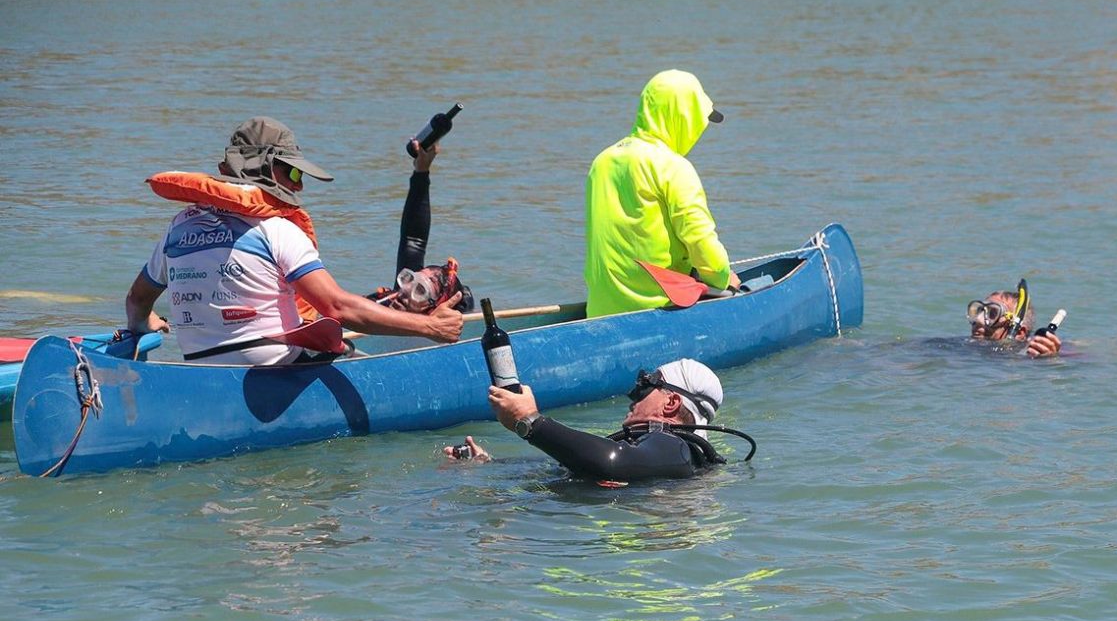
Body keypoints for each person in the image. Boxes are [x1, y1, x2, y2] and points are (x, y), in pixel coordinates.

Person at [124, 116, 464, 364]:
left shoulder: (178, 228)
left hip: (202, 372)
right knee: (342, 349)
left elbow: (137, 301)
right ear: (265, 167)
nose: (299, 185)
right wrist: (430, 327)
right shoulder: (278, 230)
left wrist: (144, 323)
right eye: (293, 171)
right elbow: (337, 308)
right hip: (276, 371)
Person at [584, 69, 740, 318]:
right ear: (684, 118)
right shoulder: (673, 167)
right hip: (659, 308)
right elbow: (701, 241)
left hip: (600, 311)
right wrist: (723, 277)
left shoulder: (601, 162)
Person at [445, 359, 732, 482]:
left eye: (644, 388)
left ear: (671, 403)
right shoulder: (657, 451)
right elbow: (566, 464)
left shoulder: (674, 446)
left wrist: (530, 422)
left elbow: (613, 463)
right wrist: (489, 463)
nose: (632, 397)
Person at [967, 289, 1062, 358]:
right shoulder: (962, 346)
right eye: (980, 310)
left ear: (1019, 333)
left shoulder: (1024, 357)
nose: (978, 319)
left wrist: (1048, 358)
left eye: (993, 314)